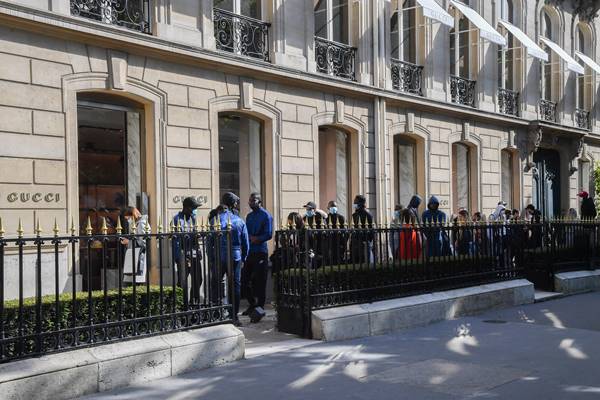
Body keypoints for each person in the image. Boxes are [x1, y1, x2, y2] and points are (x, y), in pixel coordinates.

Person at [211, 192, 249, 327]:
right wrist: (244, 257)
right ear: (232, 204)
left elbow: (210, 242)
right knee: (235, 286)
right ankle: (234, 316)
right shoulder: (239, 220)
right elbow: (246, 242)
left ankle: (216, 314)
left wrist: (211, 257)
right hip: (235, 255)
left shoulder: (215, 219)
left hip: (219, 255)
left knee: (216, 283)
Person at [242, 193, 273, 322]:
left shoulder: (266, 215)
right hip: (250, 252)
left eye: (253, 200)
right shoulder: (248, 216)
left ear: (260, 201)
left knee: (260, 281)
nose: (251, 202)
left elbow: (269, 234)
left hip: (260, 251)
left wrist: (257, 238)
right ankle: (252, 304)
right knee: (245, 280)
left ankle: (260, 307)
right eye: (249, 200)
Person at [172, 197, 201, 303]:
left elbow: (195, 237)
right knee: (182, 282)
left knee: (198, 279)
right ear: (187, 208)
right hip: (183, 255)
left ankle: (193, 302)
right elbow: (175, 241)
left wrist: (199, 250)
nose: (195, 210)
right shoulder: (177, 219)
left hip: (194, 254)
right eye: (194, 208)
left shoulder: (193, 218)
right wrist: (178, 257)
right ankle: (181, 305)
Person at [122, 206, 150, 284]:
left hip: (139, 257)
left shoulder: (141, 223)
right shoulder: (136, 223)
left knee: (137, 282)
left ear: (132, 215)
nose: (128, 220)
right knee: (132, 282)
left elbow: (143, 242)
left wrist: (128, 242)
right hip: (134, 256)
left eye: (128, 218)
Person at [351, 194, 375, 264]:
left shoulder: (368, 215)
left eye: (355, 202)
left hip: (364, 243)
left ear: (360, 203)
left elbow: (371, 231)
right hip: (355, 243)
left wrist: (366, 241)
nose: (354, 204)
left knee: (365, 262)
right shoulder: (354, 215)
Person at [325, 200, 347, 265]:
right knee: (330, 261)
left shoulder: (341, 218)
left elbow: (346, 231)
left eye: (334, 206)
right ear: (328, 208)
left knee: (339, 261)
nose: (333, 207)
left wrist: (344, 243)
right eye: (331, 206)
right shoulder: (326, 218)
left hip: (339, 242)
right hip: (330, 242)